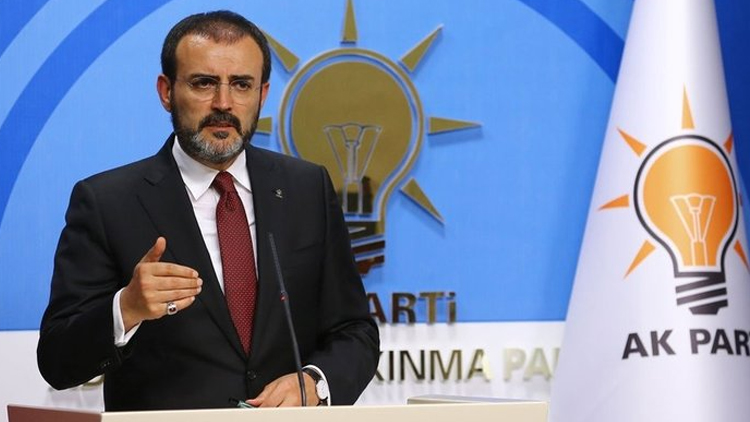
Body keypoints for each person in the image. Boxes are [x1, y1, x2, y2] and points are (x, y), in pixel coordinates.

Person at [37, 10, 379, 411]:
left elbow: (354, 330)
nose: (223, 103)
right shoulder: (107, 202)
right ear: (166, 91)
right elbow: (57, 361)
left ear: (263, 94)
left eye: (242, 85)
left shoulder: (307, 188)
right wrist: (126, 308)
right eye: (204, 83)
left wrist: (315, 382)